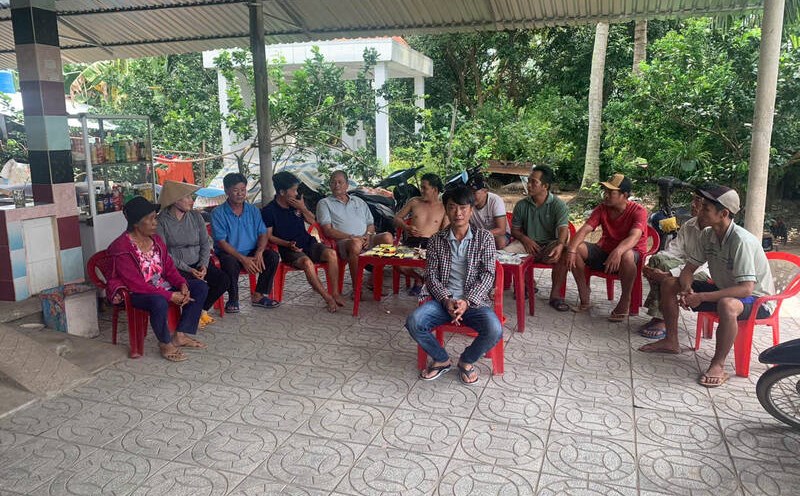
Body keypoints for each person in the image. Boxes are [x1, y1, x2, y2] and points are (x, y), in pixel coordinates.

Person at [640, 185, 775, 388]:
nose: (698, 211)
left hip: (757, 300)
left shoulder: (741, 241)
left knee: (728, 305)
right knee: (669, 283)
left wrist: (701, 297)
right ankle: (671, 341)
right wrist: (687, 290)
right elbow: (688, 269)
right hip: (725, 290)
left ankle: (718, 365)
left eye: (705, 209)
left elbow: (746, 289)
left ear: (723, 214)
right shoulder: (707, 235)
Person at [405, 185, 501, 385]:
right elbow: (431, 276)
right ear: (446, 210)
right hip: (442, 302)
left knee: (494, 329)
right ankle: (441, 360)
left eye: (463, 208)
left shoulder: (485, 238)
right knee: (415, 321)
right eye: (452, 207)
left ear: (471, 210)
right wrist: (447, 299)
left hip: (474, 302)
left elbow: (488, 274)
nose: (458, 213)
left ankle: (466, 361)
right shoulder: (436, 240)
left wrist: (466, 301)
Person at [106, 196, 208, 362]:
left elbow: (169, 269)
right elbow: (136, 284)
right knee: (158, 301)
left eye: (155, 218)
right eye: (151, 219)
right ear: (136, 223)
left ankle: (180, 335)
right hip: (137, 293)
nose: (155, 223)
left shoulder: (156, 241)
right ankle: (165, 342)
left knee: (200, 287)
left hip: (161, 286)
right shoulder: (121, 248)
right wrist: (169, 296)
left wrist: (181, 284)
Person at [563, 173, 648, 321]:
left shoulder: (638, 211)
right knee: (577, 249)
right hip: (605, 251)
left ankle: (625, 299)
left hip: (629, 255)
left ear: (624, 195)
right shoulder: (602, 209)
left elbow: (634, 237)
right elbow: (585, 229)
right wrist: (571, 249)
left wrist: (618, 251)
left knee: (627, 255)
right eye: (605, 191)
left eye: (611, 192)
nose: (606, 195)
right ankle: (584, 293)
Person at [262, 171, 344, 312]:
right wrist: (287, 244)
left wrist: (303, 208)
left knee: (331, 254)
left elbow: (313, 221)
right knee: (307, 263)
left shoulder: (296, 205)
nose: (296, 193)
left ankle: (335, 293)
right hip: (289, 249)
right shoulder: (269, 211)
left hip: (308, 243)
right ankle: (328, 298)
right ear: (282, 192)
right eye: (293, 190)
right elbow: (269, 236)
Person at [156, 180, 231, 328]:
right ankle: (191, 317)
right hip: (178, 267)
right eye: (188, 197)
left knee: (223, 280)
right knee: (196, 286)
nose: (192, 201)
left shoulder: (196, 216)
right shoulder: (161, 221)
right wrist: (189, 269)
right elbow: (164, 253)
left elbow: (205, 243)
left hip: (198, 261)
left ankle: (201, 311)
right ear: (176, 200)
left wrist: (203, 265)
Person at [638, 191, 710, 339]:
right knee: (657, 261)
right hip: (687, 266)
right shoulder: (690, 224)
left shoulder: (715, 232)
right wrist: (650, 263)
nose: (693, 204)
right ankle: (660, 315)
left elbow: (704, 266)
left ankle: (662, 319)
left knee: (667, 278)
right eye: (693, 200)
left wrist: (669, 274)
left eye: (698, 201)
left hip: (705, 272)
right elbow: (674, 250)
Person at [211, 173, 280, 312]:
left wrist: (260, 251)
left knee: (272, 256)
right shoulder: (218, 213)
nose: (240, 194)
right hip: (230, 252)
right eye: (236, 190)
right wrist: (243, 259)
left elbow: (262, 233)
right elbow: (222, 242)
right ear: (226, 191)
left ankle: (259, 295)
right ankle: (233, 299)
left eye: (243, 190)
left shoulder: (253, 210)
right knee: (230, 263)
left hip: (251, 251)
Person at [505, 165, 571, 311]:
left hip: (549, 245)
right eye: (528, 181)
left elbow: (563, 228)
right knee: (506, 251)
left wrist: (560, 245)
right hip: (527, 244)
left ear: (545, 186)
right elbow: (515, 230)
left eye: (533, 182)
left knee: (564, 251)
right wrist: (525, 239)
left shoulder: (558, 205)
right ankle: (523, 286)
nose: (529, 185)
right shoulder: (522, 205)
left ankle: (555, 296)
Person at [317, 170, 393, 292]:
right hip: (344, 241)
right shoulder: (324, 203)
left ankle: (373, 278)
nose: (337, 185)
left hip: (365, 238)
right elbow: (328, 231)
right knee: (355, 244)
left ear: (347, 185)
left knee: (387, 237)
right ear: (330, 185)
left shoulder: (359, 201)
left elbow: (370, 223)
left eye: (340, 182)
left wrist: (368, 236)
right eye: (333, 182)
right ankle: (357, 288)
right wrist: (352, 237)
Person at [394, 172, 449, 295]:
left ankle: (429, 283)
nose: (421, 190)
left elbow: (445, 231)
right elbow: (397, 218)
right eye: (421, 187)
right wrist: (406, 227)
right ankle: (419, 278)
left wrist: (438, 244)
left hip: (432, 243)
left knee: (440, 263)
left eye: (425, 188)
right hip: (411, 241)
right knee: (396, 262)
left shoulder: (444, 207)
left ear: (434, 190)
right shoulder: (414, 201)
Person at [467, 172, 510, 249]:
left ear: (485, 191)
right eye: (469, 192)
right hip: (478, 235)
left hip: (497, 234)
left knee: (500, 240)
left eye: (474, 192)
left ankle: (497, 259)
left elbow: (501, 230)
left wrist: (479, 235)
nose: (471, 196)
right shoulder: (468, 201)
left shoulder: (495, 200)